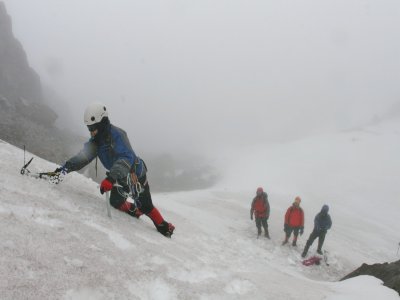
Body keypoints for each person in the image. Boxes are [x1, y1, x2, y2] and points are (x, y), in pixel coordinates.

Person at [55, 102, 175, 237]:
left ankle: (164, 226)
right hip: (118, 176)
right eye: (89, 128)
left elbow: (125, 158)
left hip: (135, 175)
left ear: (102, 123)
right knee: (115, 202)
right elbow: (83, 157)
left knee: (145, 206)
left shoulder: (118, 135)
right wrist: (63, 169)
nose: (91, 131)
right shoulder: (96, 141)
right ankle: (134, 210)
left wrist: (111, 178)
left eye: (93, 127)